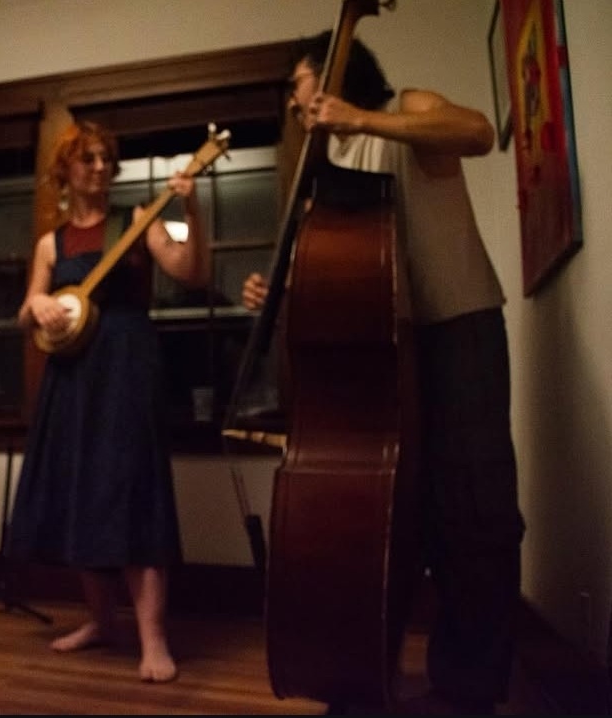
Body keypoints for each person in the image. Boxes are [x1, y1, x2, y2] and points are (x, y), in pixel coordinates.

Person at [241, 32, 525, 714]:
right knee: (396, 515)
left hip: (457, 326)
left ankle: (470, 686)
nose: (291, 101)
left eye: (296, 83)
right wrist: (279, 290)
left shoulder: (405, 106)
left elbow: (479, 131)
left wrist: (362, 117)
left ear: (336, 72)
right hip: (386, 349)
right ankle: (368, 673)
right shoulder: (326, 164)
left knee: (475, 511)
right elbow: (345, 271)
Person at [6, 120, 209, 683]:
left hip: (126, 371)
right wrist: (41, 305)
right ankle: (100, 622)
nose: (100, 168)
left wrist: (191, 213)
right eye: (88, 159)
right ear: (66, 171)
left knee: (133, 494)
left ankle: (153, 638)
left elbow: (192, 271)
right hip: (71, 379)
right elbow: (25, 314)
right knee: (81, 497)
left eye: (105, 159)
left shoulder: (141, 220)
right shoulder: (51, 243)